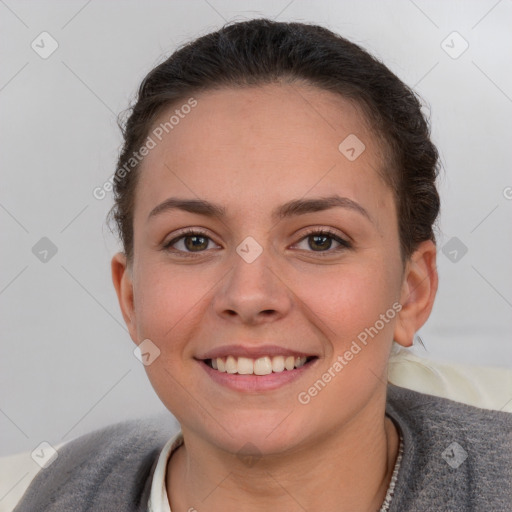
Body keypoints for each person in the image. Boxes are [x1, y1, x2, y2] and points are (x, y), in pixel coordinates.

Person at [14, 18, 512, 512]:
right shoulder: (57, 493)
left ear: (412, 291)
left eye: (320, 241)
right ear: (130, 296)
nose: (249, 296)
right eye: (192, 241)